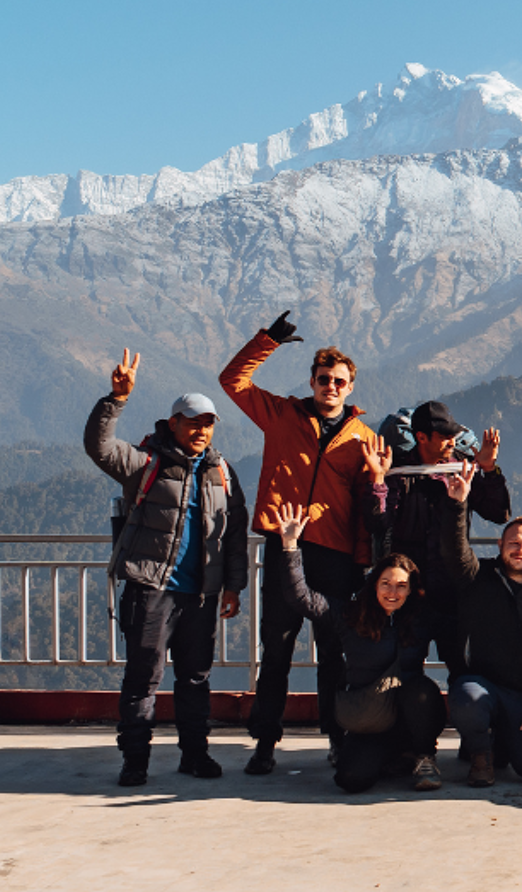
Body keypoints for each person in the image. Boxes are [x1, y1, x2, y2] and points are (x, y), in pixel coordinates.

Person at [219, 310, 386, 775]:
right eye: (323, 379)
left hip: (336, 557)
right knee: (276, 651)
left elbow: (367, 509)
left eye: (339, 381)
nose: (330, 386)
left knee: (334, 653)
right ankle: (264, 743)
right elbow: (233, 381)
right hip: (285, 547)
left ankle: (337, 738)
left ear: (350, 387)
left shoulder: (364, 439)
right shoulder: (282, 415)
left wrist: (362, 561)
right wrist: (267, 341)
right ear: (311, 381)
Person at [84, 350, 249, 786]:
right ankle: (135, 761)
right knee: (143, 679)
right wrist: (116, 399)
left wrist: (234, 587)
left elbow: (234, 535)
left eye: (208, 423)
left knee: (195, 680)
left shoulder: (222, 473)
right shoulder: (146, 463)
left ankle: (195, 755)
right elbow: (99, 448)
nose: (201, 430)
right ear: (173, 423)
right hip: (150, 589)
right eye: (193, 422)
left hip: (202, 595)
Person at [268, 504, 446, 794]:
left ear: (411, 589)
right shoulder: (351, 616)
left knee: (421, 690)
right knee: (351, 779)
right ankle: (394, 756)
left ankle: (424, 755)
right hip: (371, 719)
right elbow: (301, 598)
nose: (392, 592)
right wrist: (290, 546)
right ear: (374, 585)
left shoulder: (421, 618)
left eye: (401, 586)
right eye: (386, 583)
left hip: (410, 714)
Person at [379, 401, 508, 693]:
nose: (452, 442)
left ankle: (467, 717)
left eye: (453, 435)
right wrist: (377, 479)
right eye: (444, 436)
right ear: (421, 437)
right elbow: (379, 520)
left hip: (454, 595)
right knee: (406, 674)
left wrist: (489, 470)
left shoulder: (460, 468)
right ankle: (414, 720)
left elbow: (498, 513)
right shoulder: (399, 472)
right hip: (410, 597)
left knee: (464, 671)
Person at [451, 516, 522, 786]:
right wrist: (457, 505)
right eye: (514, 543)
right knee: (468, 699)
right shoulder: (477, 578)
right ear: (500, 544)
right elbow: (454, 550)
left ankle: (499, 743)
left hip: (521, 696)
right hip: (479, 685)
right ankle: (480, 754)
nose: (521, 550)